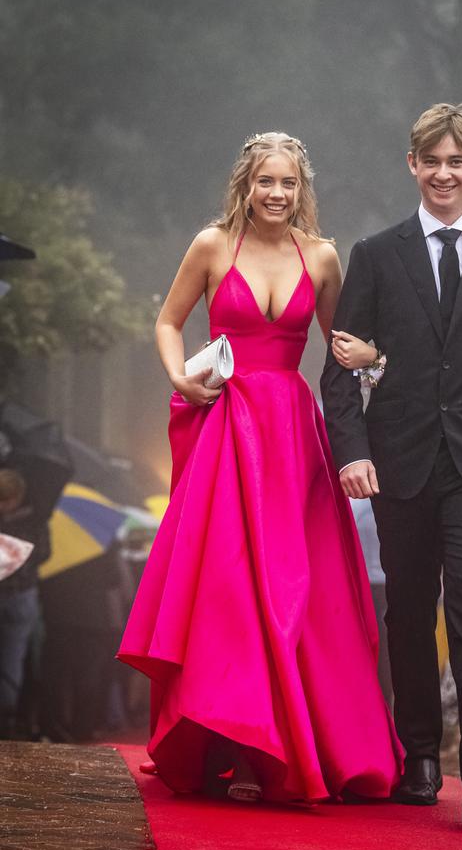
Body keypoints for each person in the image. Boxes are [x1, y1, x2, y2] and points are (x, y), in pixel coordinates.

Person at [118, 132, 402, 803]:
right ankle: (235, 737)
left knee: (299, 587)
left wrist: (378, 359)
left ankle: (297, 746)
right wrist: (180, 379)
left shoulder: (323, 256)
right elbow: (167, 321)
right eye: (265, 181)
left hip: (293, 436)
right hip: (227, 427)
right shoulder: (213, 245)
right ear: (245, 184)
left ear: (303, 189)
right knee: (227, 588)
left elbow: (339, 350)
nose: (276, 193)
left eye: (288, 183)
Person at [321, 102, 462, 826]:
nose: (444, 174)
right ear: (413, 166)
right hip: (401, 465)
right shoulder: (376, 254)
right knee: (411, 611)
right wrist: (353, 452)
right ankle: (418, 755)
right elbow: (337, 369)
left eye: (458, 161)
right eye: (432, 161)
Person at [0, 467, 49, 738]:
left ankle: (7, 714)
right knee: (13, 659)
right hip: (22, 595)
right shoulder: (35, 519)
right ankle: (8, 718)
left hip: (17, 597)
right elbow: (44, 553)